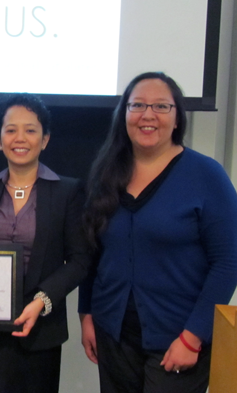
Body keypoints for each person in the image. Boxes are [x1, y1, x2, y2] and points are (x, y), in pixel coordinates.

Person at [78, 72, 237, 393]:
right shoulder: (105, 173)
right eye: (137, 105)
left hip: (179, 339)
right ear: (123, 115)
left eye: (161, 106)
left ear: (177, 117)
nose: (148, 115)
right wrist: (86, 313)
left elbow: (228, 261)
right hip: (113, 335)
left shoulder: (207, 175)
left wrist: (194, 337)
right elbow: (92, 252)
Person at [0, 93, 90, 393]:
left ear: (45, 139)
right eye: (10, 130)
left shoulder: (68, 191)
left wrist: (42, 301)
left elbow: (80, 260)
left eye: (31, 129)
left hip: (42, 329)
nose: (20, 138)